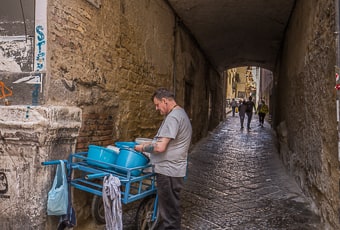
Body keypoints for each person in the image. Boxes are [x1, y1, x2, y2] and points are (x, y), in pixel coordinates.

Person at [134, 87, 192, 229]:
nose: (156, 108)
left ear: (164, 101)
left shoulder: (173, 117)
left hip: (168, 172)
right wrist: (151, 143)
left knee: (170, 214)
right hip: (174, 170)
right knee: (172, 208)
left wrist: (142, 148)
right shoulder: (180, 113)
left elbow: (160, 147)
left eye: (157, 104)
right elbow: (166, 142)